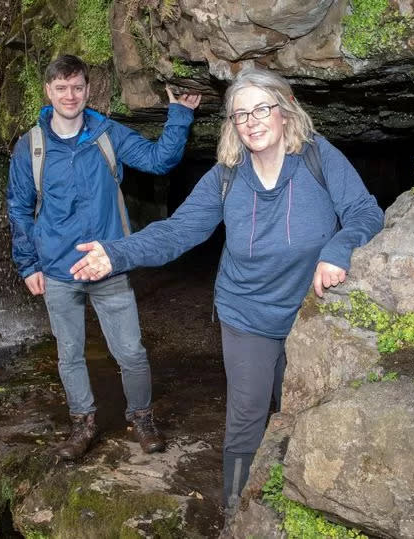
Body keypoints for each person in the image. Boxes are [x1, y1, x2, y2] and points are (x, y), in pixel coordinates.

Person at [69, 66, 384, 511]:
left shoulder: (318, 157)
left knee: (300, 410)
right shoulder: (227, 176)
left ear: (285, 111)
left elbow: (365, 214)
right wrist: (117, 253)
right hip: (247, 315)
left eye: (262, 109)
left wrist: (338, 249)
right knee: (248, 416)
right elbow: (178, 231)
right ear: (233, 125)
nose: (253, 121)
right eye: (241, 114)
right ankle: (236, 508)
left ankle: (297, 501)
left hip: (310, 312)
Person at [7, 54, 201, 460]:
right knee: (69, 353)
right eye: (61, 88)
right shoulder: (31, 148)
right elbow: (19, 208)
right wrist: (28, 264)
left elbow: (158, 160)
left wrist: (179, 115)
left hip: (108, 264)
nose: (70, 95)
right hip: (58, 270)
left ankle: (143, 419)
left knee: (130, 351)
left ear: (88, 89)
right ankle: (82, 425)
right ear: (49, 92)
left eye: (77, 87)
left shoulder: (107, 133)